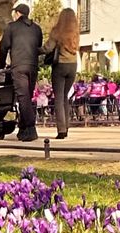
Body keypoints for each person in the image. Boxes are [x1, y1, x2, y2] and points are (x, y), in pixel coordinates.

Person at [0, 3, 43, 142]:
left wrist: (1, 64)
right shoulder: (37, 28)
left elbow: (3, 47)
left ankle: (30, 129)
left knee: (23, 98)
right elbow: (39, 45)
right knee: (27, 98)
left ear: (17, 13)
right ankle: (23, 128)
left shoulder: (11, 27)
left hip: (18, 66)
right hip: (33, 65)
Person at [41, 8, 79, 139]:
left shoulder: (57, 31)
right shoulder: (76, 33)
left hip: (60, 65)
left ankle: (61, 130)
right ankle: (66, 127)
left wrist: (35, 50)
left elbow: (48, 48)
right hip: (73, 65)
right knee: (65, 97)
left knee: (58, 98)